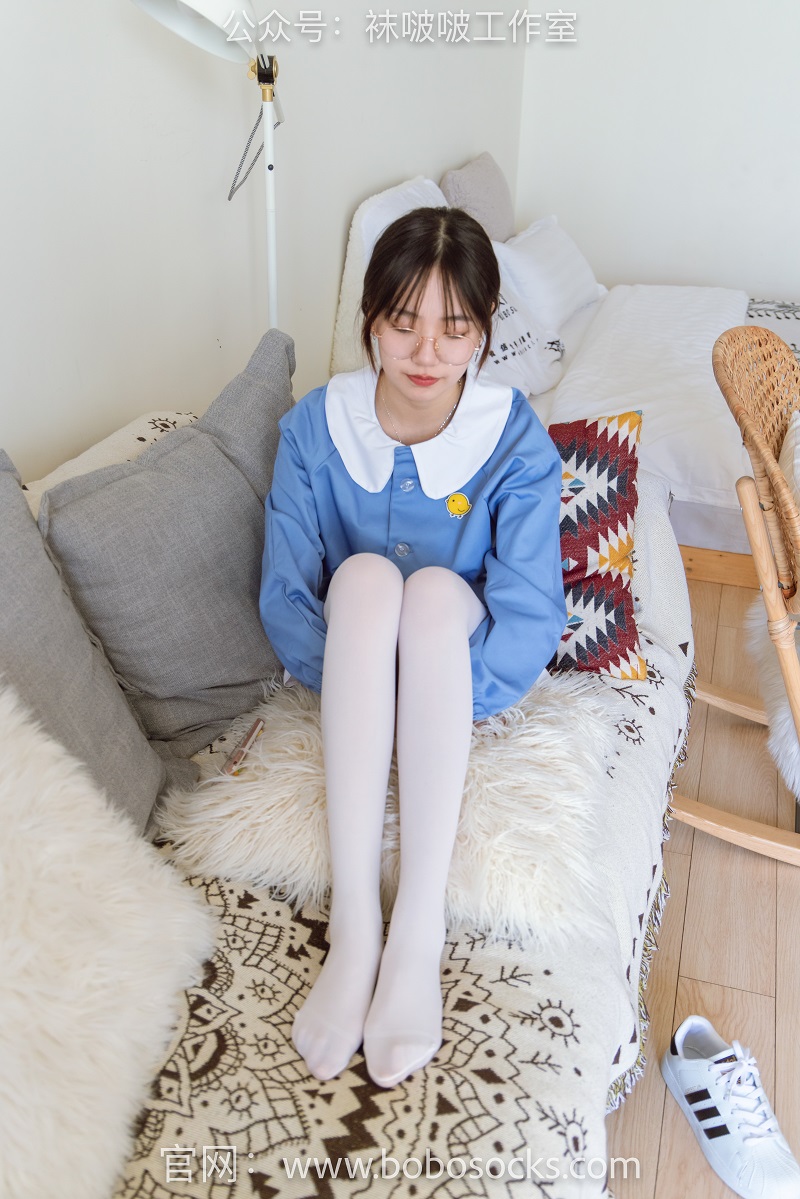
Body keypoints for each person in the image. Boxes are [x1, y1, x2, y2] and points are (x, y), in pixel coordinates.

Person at [259, 206, 567, 1090]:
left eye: (454, 328)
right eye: (403, 323)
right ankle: (356, 928)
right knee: (362, 578)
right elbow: (287, 595)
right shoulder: (316, 428)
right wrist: (362, 679)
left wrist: (433, 689)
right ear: (371, 318)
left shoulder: (513, 440)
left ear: (485, 329)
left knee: (431, 594)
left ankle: (416, 929)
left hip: (450, 639)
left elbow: (529, 613)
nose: (427, 352)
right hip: (355, 635)